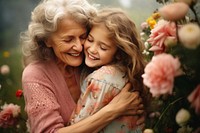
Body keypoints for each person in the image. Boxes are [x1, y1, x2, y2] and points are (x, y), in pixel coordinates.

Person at [20, 0, 145, 132]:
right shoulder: (35, 75)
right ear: (47, 40)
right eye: (68, 39)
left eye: (83, 36)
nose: (79, 47)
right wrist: (113, 110)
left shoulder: (94, 62)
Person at [68, 8, 147, 133]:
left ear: (119, 53)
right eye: (90, 40)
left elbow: (78, 124)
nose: (92, 49)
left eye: (103, 47)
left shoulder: (100, 79)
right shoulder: (127, 74)